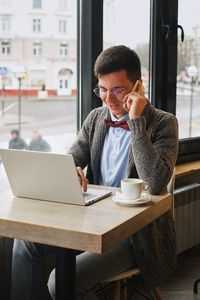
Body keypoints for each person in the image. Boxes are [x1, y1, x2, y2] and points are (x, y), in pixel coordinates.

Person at [10, 45, 178, 300]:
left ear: (137, 87)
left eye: (118, 90)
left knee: (59, 283)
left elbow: (155, 183)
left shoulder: (164, 123)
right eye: (102, 89)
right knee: (24, 243)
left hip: (136, 236)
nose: (108, 99)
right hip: (93, 222)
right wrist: (71, 170)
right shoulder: (96, 118)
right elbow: (72, 157)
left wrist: (136, 122)